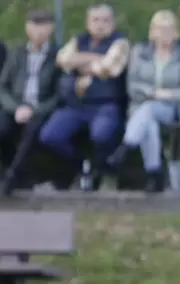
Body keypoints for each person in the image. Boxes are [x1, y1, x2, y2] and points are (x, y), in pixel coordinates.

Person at [39, 3, 130, 191]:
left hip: (105, 105)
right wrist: (95, 58)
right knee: (49, 136)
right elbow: (62, 59)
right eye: (95, 20)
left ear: (113, 23)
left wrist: (78, 61)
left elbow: (109, 68)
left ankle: (107, 173)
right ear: (88, 23)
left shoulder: (120, 42)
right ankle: (83, 165)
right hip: (75, 105)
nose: (100, 25)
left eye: (105, 20)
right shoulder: (79, 39)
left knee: (102, 134)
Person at [108, 10, 180, 192]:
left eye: (168, 30)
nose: (164, 34)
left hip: (174, 108)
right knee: (149, 123)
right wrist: (153, 93)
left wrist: (170, 95)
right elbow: (132, 86)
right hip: (142, 106)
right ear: (152, 32)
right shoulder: (140, 52)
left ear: (176, 32)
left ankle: (126, 147)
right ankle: (154, 175)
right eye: (160, 29)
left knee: (148, 111)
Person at [0, 9, 60, 196]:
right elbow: (2, 87)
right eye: (35, 25)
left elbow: (59, 94)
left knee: (32, 132)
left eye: (44, 25)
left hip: (40, 108)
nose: (39, 31)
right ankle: (11, 174)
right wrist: (15, 107)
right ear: (27, 28)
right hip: (16, 106)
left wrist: (36, 110)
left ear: (51, 28)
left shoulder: (58, 56)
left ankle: (12, 178)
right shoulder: (17, 53)